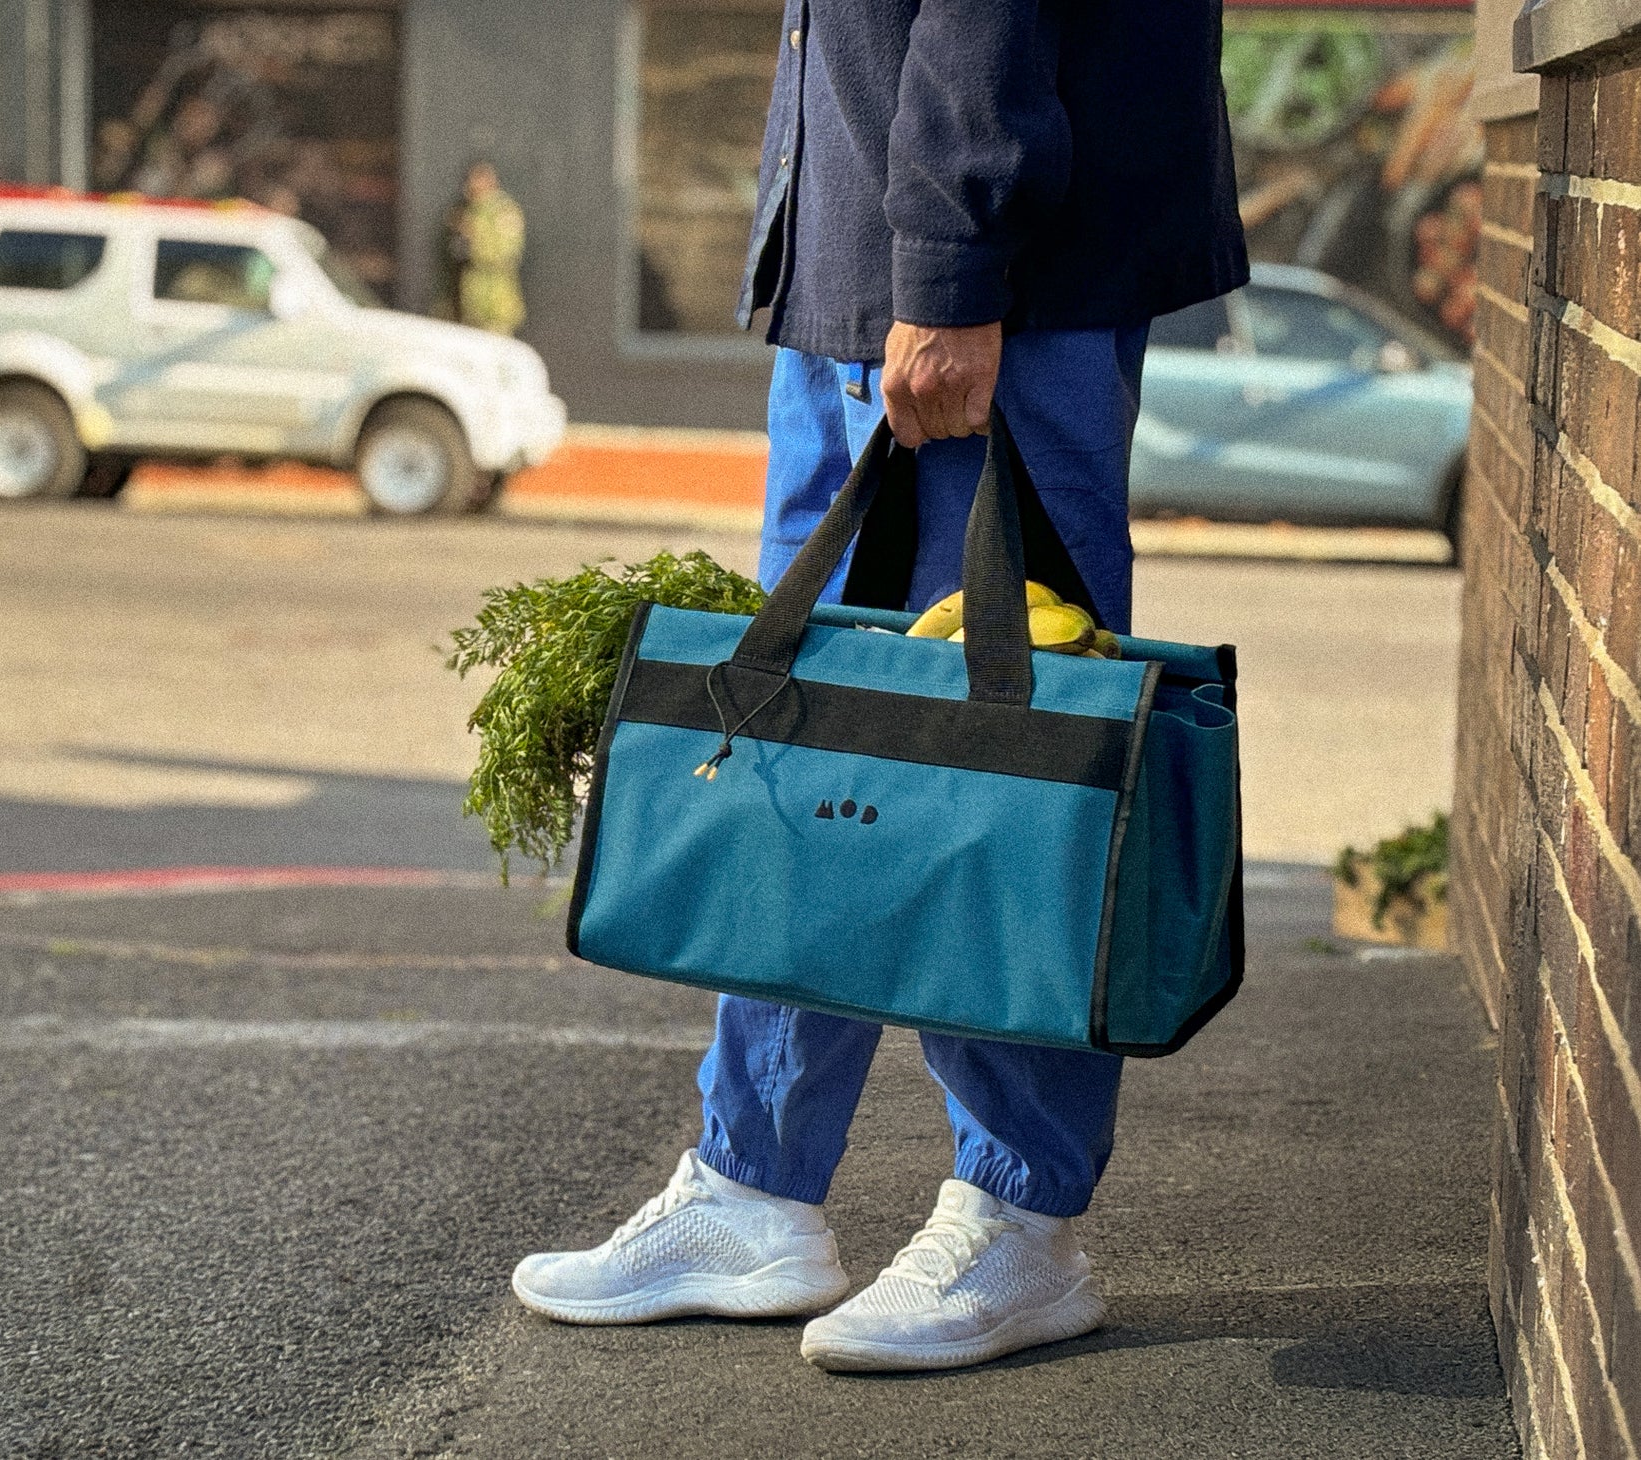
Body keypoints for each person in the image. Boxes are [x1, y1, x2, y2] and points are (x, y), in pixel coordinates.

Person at [514, 1, 1247, 1372]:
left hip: (982, 286)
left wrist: (951, 267)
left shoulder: (961, 271)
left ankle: (1022, 1221)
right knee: (809, 736)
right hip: (855, 263)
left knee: (1002, 761)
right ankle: (753, 1187)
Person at [436, 162, 527, 336]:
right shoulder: (471, 211)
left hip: (495, 302)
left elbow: (506, 255)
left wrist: (475, 236)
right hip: (472, 299)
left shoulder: (503, 211)